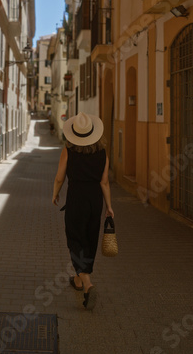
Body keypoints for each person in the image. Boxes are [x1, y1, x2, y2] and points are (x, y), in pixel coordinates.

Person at [52, 112, 114, 310]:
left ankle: (87, 284)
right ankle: (79, 280)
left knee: (75, 239)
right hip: (94, 200)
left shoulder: (69, 151)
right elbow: (104, 182)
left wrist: (55, 193)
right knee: (89, 238)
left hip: (76, 198)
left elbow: (60, 177)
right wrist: (109, 206)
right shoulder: (103, 153)